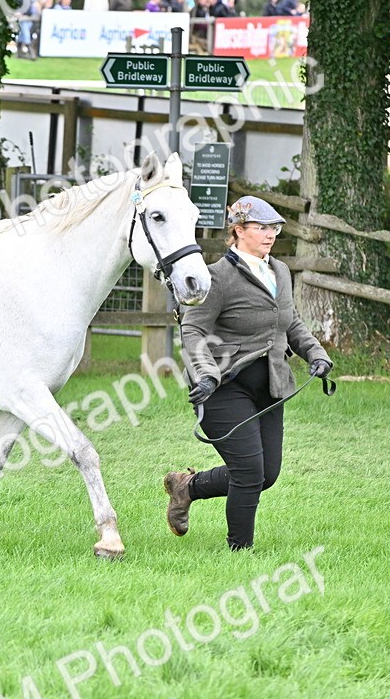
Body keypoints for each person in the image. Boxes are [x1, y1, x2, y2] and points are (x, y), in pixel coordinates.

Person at [166, 196, 331, 552]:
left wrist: (316, 354)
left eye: (274, 228)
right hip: (224, 388)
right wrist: (205, 374)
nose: (270, 234)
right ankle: (240, 551)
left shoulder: (280, 271)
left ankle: (187, 487)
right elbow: (192, 331)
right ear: (238, 231)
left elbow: (291, 322)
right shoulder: (216, 277)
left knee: (266, 475)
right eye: (261, 228)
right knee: (248, 471)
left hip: (271, 387)